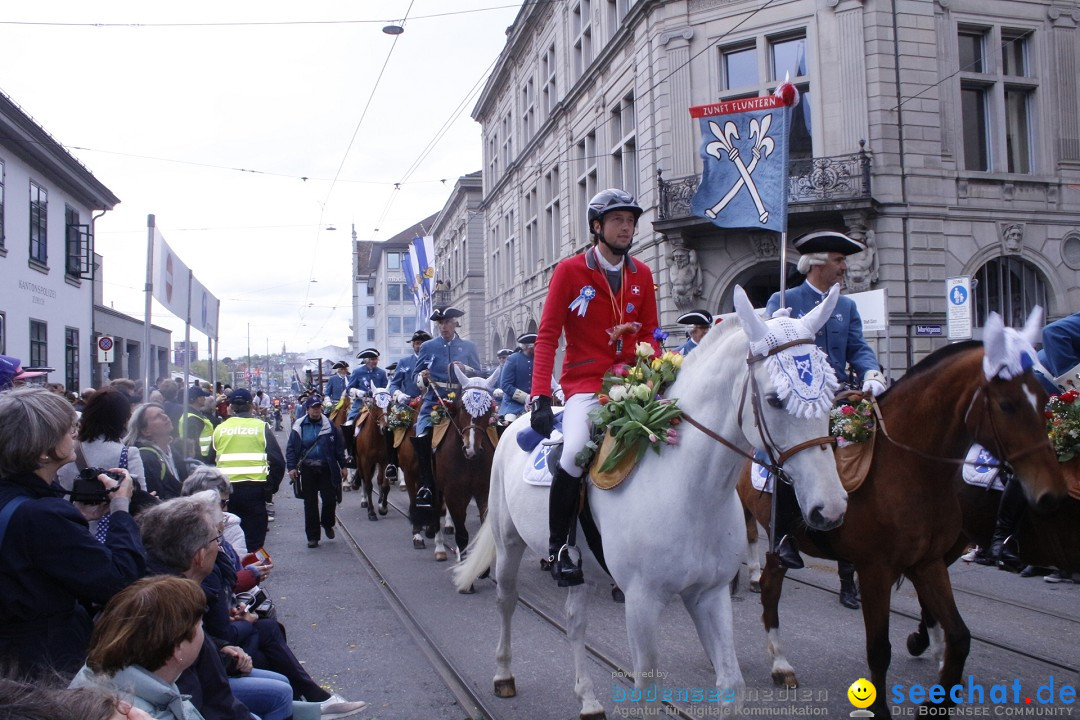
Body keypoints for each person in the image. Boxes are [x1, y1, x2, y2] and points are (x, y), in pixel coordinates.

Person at [530, 188, 660, 586]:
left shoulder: (643, 273)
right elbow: (548, 335)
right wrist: (539, 394)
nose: (627, 227)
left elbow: (654, 332)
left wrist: (652, 359)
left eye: (631, 221)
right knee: (573, 454)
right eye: (618, 220)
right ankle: (559, 550)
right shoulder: (570, 271)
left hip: (634, 380)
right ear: (596, 227)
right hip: (585, 383)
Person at [764, 229, 887, 610]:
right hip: (800, 401)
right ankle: (784, 535)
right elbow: (770, 354)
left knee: (876, 448)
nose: (844, 267)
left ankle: (854, 566)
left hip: (838, 394)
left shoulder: (846, 307)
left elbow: (858, 348)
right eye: (838, 259)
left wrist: (871, 373)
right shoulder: (783, 300)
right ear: (816, 262)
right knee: (788, 459)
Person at [0, 386, 146, 677]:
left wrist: (76, 517)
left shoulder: (25, 503)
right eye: (68, 431)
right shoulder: (42, 515)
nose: (75, 436)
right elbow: (120, 580)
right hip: (46, 662)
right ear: (43, 451)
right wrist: (120, 506)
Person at [137, 496, 290, 720]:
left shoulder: (163, 585)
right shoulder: (173, 604)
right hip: (191, 698)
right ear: (199, 556)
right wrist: (230, 659)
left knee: (281, 683)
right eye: (217, 538)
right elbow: (207, 692)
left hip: (196, 685)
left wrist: (222, 647)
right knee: (279, 692)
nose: (220, 546)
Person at [986, 309, 1080, 575]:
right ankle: (1001, 539)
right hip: (1047, 384)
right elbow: (1054, 333)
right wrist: (1075, 390)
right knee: (1037, 456)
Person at [70, 576, 209, 720]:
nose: (202, 632)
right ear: (178, 647)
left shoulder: (98, 676)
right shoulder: (130, 714)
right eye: (200, 625)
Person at [412, 307, 482, 526]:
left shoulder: (468, 346)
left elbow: (480, 374)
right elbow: (416, 377)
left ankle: (492, 479)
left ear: (455, 324)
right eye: (440, 323)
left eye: (447, 322)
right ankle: (425, 484)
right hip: (435, 402)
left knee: (491, 429)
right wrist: (423, 378)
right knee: (421, 433)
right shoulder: (428, 347)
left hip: (463, 402)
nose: (443, 327)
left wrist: (466, 368)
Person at [211, 388, 285, 552]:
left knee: (228, 540)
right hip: (254, 491)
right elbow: (278, 461)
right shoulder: (260, 427)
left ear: (230, 407)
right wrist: (270, 487)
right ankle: (251, 572)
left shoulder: (219, 429)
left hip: (226, 493)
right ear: (251, 406)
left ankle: (233, 573)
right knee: (254, 542)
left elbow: (209, 462)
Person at [57, 387, 146, 494]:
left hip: (70, 509)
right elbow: (140, 495)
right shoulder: (127, 454)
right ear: (123, 418)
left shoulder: (67, 448)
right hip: (116, 508)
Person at [286, 395, 348, 548]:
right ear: (307, 409)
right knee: (310, 503)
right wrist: (292, 467)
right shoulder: (299, 426)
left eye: (318, 407)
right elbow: (291, 449)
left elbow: (338, 447)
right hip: (307, 468)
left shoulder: (330, 425)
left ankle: (327, 523)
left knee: (329, 499)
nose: (316, 410)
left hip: (327, 467)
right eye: (313, 408)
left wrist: (344, 465)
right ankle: (313, 536)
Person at [385, 331, 432, 485]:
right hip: (408, 404)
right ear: (413, 345)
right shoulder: (404, 362)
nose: (420, 345)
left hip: (432, 404)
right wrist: (398, 394)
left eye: (423, 343)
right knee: (389, 426)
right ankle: (392, 463)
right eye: (417, 342)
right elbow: (394, 384)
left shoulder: (435, 360)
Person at [128, 403, 188, 501]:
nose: (165, 417)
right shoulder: (145, 458)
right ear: (145, 431)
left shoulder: (172, 450)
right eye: (157, 417)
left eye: (163, 413)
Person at [343, 349, 388, 426]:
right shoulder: (357, 372)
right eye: (372, 359)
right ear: (366, 360)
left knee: (390, 425)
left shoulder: (382, 373)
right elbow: (348, 389)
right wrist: (358, 392)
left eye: (376, 359)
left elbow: (385, 389)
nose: (375, 361)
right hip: (361, 404)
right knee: (348, 424)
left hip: (378, 404)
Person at [498, 334, 537, 420]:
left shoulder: (538, 359)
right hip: (513, 405)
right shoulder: (513, 359)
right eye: (536, 346)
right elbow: (505, 385)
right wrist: (525, 397)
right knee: (509, 421)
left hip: (536, 402)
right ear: (528, 347)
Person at [181, 386, 217, 465]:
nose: (204, 399)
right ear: (197, 399)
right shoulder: (193, 418)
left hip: (203, 458)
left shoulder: (195, 415)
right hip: (201, 459)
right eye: (202, 396)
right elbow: (193, 442)